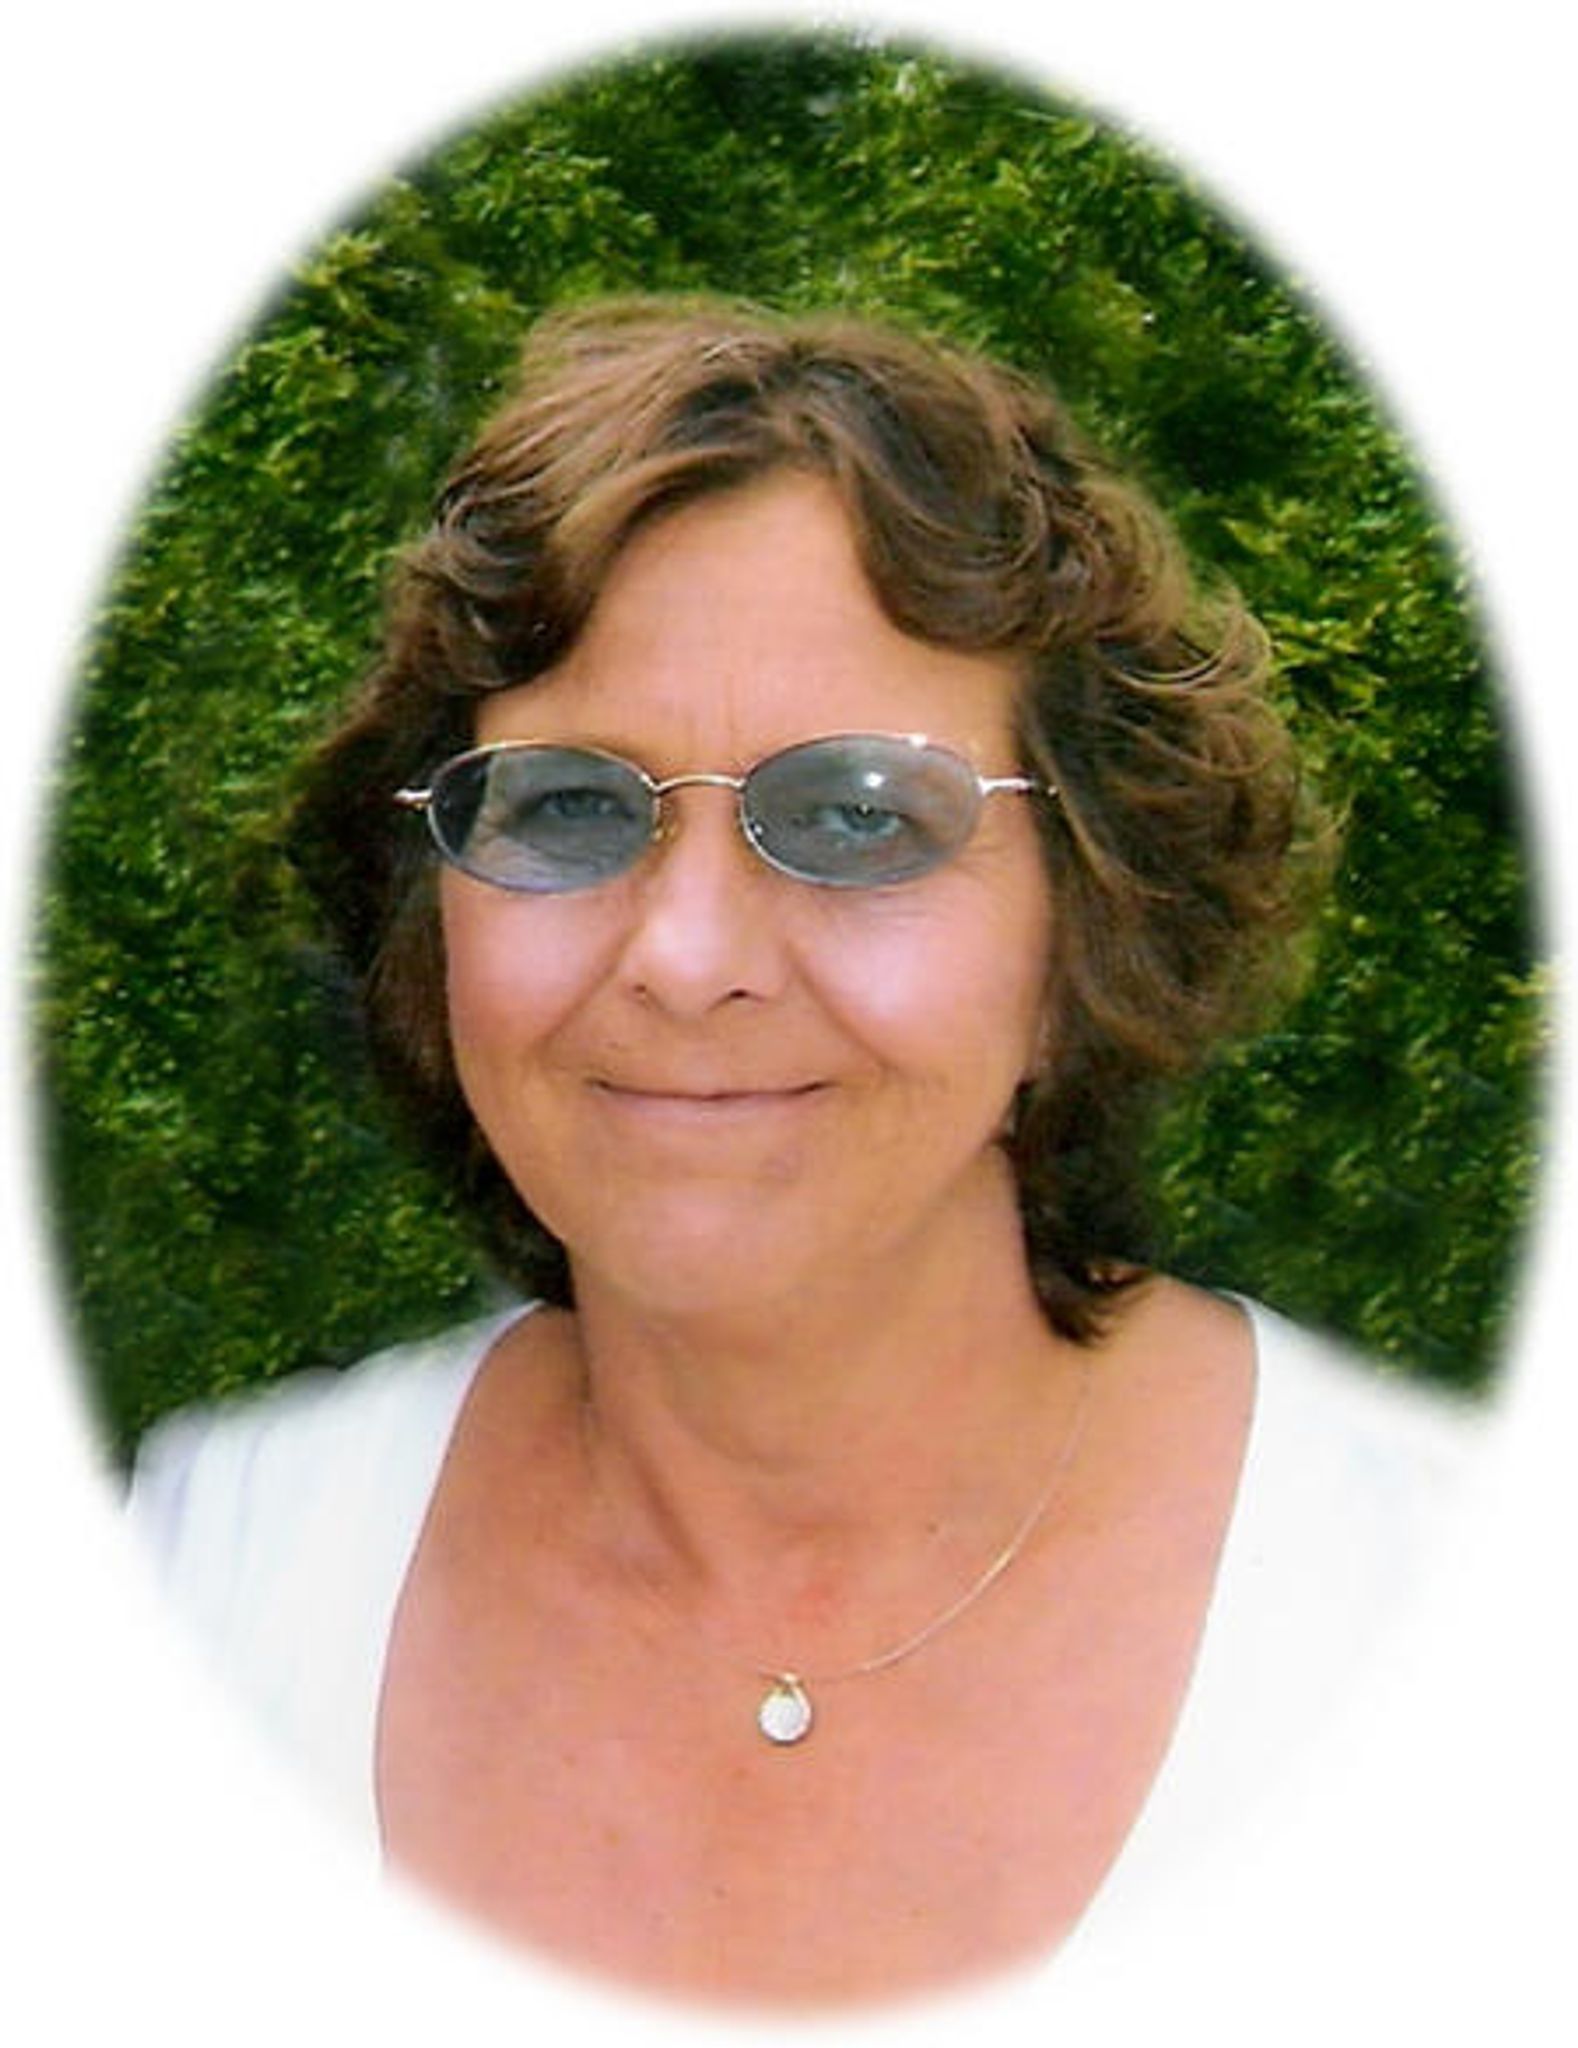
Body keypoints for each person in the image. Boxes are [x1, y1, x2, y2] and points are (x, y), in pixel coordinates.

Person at [127, 296, 1471, 2009]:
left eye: (852, 817)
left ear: (1087, 928)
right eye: (568, 807)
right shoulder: (200, 1580)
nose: (687, 958)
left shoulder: (1453, 1621)